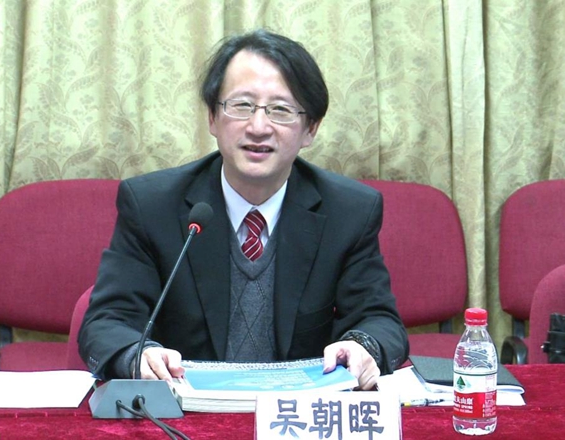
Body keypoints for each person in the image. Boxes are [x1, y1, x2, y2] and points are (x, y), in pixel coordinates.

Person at [78, 29, 409, 390]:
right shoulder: (152, 205)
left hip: (296, 410)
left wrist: (362, 346)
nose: (258, 127)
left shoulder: (350, 211)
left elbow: (379, 320)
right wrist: (137, 355)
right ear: (212, 117)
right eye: (242, 106)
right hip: (183, 408)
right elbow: (107, 322)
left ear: (310, 129)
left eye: (280, 110)